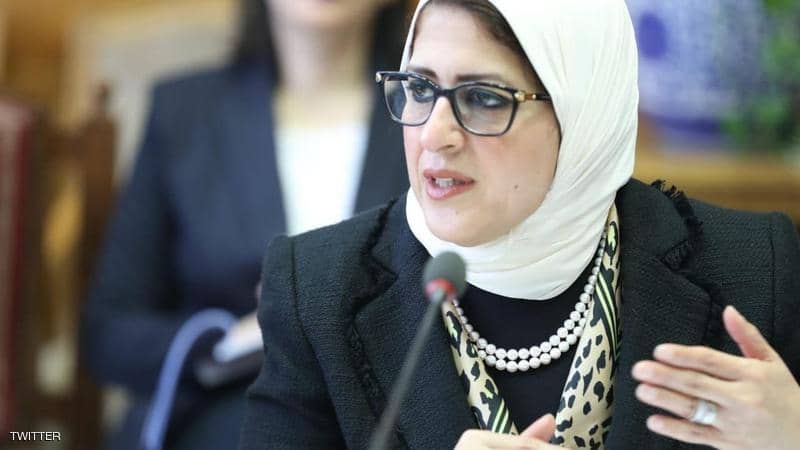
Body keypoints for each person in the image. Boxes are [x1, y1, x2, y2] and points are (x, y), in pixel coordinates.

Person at [238, 0, 800, 449]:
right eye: (420, 89)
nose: (434, 134)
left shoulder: (753, 269)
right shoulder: (318, 290)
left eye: (483, 98)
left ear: (582, 111)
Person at [80, 0, 408, 449]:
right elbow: (109, 331)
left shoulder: (428, 115)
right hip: (224, 414)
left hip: (384, 413)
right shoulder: (185, 112)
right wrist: (229, 341)